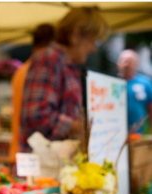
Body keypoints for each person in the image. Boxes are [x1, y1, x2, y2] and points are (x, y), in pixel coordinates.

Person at [19, 7, 109, 152]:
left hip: (58, 164)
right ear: (76, 35)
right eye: (93, 41)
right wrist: (79, 126)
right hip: (44, 167)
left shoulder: (66, 64)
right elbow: (37, 115)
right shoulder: (48, 59)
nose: (93, 49)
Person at [9, 24, 55, 161]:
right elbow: (35, 115)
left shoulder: (21, 71)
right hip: (32, 152)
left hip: (20, 147)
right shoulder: (37, 72)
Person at [117, 49, 152, 133]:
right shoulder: (110, 82)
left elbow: (150, 108)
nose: (126, 64)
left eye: (130, 61)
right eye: (123, 61)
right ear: (118, 64)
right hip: (114, 133)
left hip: (138, 133)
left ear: (136, 64)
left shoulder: (145, 83)